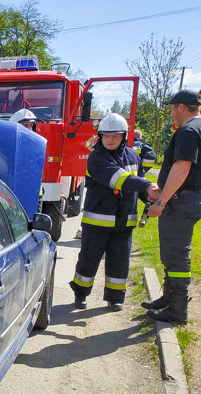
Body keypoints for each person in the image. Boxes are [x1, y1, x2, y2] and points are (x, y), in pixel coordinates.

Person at [68, 113, 158, 311]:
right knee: (88, 260)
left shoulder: (133, 156)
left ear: (123, 136)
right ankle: (81, 293)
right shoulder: (96, 157)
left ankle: (116, 298)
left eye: (115, 136)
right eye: (106, 136)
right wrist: (148, 185)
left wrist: (151, 198)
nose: (110, 140)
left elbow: (138, 184)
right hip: (97, 224)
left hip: (124, 223)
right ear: (99, 136)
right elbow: (118, 179)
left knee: (120, 263)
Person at [143, 89, 201, 325]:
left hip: (182, 201)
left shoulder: (188, 130)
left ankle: (176, 309)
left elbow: (182, 167)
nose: (169, 113)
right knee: (175, 252)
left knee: (175, 254)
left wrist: (161, 201)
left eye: (171, 108)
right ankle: (169, 299)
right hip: (191, 198)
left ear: (180, 107)